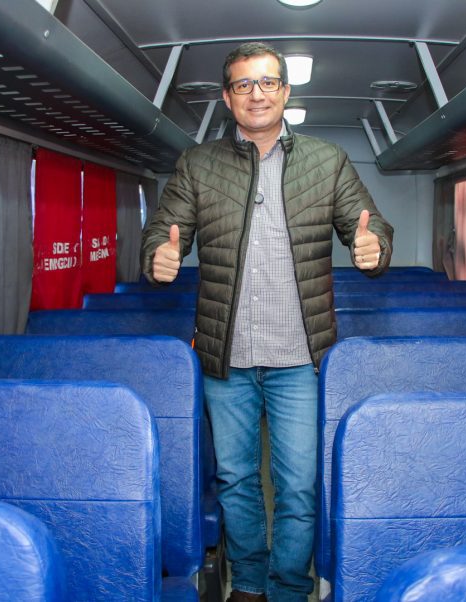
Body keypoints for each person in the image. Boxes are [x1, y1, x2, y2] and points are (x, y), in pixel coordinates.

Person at [141, 42, 393, 602]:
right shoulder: (197, 164)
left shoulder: (327, 161)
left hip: (301, 357)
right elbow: (162, 230)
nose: (257, 93)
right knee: (235, 480)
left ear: (285, 90)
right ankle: (250, 584)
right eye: (243, 84)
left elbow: (370, 225)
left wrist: (374, 247)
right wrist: (159, 254)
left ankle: (289, 588)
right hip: (225, 357)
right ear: (227, 97)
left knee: (299, 485)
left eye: (268, 82)